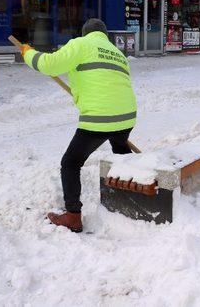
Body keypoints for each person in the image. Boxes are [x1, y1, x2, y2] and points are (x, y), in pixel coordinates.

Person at [20, 19, 137, 232]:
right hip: (127, 116)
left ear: (85, 33)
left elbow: (48, 64)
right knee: (120, 147)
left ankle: (73, 216)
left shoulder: (80, 44)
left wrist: (28, 53)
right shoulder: (117, 53)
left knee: (71, 162)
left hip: (100, 117)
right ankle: (133, 188)